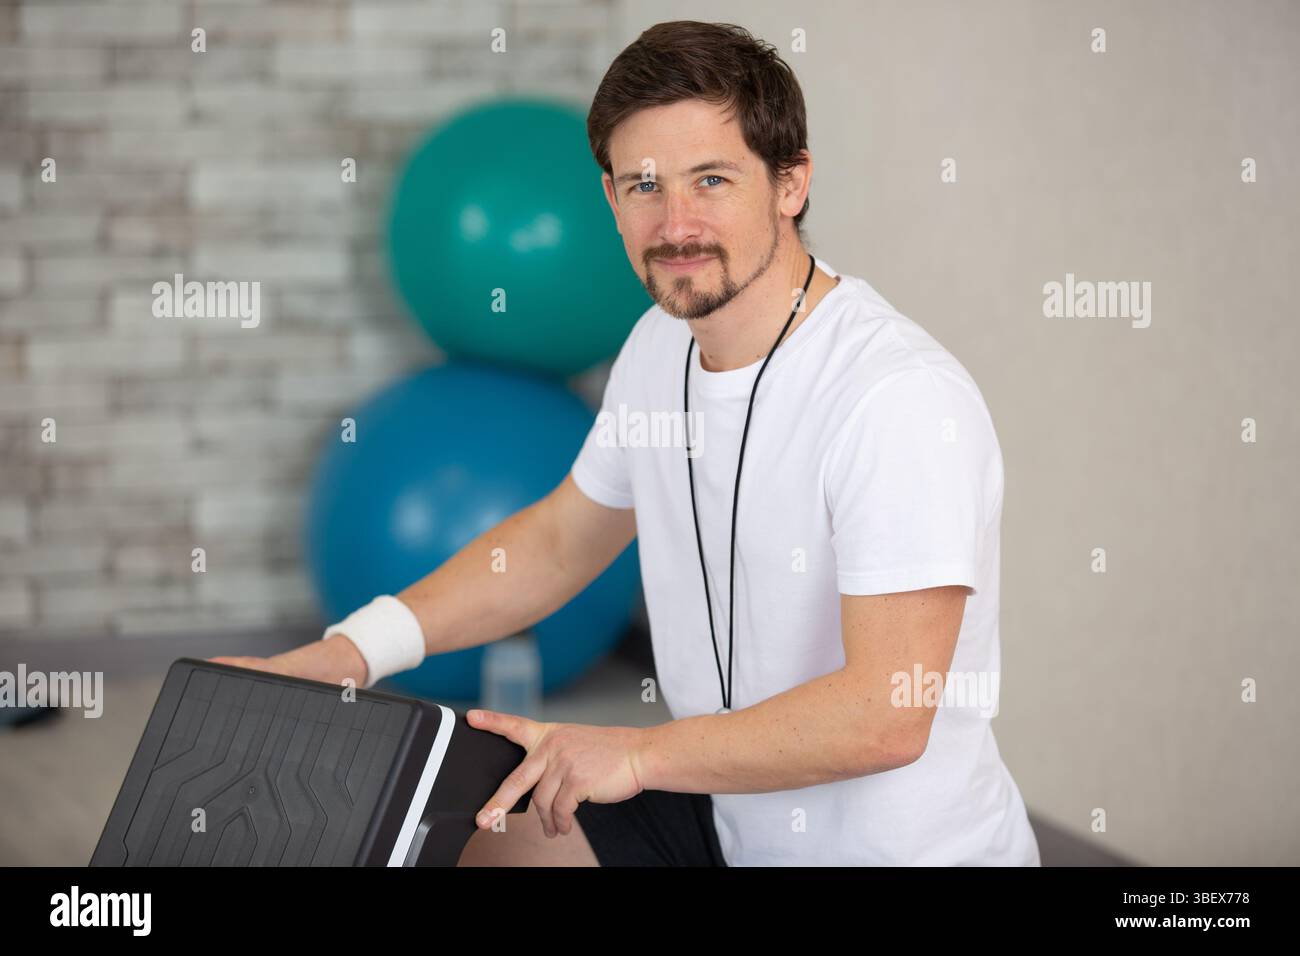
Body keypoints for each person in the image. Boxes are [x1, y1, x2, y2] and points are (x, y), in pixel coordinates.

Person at [214, 20, 1040, 867]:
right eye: (644, 185)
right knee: (477, 842)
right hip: (726, 814)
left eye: (711, 180)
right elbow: (563, 538)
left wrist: (637, 754)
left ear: (790, 183)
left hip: (895, 853)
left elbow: (886, 715)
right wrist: (353, 651)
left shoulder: (895, 398)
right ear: (610, 201)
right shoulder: (658, 345)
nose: (676, 224)